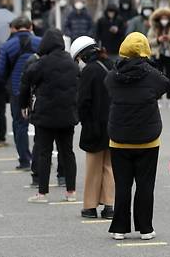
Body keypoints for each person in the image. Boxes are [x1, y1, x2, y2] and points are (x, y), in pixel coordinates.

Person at [105, 32, 170, 240]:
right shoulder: (152, 75)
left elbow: (108, 87)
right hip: (148, 139)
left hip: (119, 139)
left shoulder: (112, 76)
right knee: (145, 185)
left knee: (122, 185)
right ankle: (145, 228)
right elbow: (165, 84)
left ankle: (119, 228)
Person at [20, 29, 79, 203]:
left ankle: (43, 193)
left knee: (44, 153)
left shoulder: (41, 63)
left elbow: (25, 82)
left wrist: (23, 105)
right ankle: (71, 191)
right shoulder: (71, 63)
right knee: (67, 152)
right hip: (68, 114)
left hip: (45, 115)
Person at [70, 36, 115, 219]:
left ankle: (90, 206)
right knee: (110, 166)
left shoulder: (89, 71)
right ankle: (110, 206)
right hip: (113, 124)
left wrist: (83, 120)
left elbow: (83, 101)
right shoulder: (111, 65)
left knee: (93, 168)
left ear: (82, 55)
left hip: (94, 125)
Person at [0, 16, 41, 171]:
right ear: (30, 27)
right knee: (41, 125)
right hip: (39, 89)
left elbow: (0, 71)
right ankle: (40, 159)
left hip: (17, 90)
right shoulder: (40, 42)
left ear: (14, 28)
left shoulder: (7, 45)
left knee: (20, 124)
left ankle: (24, 160)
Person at [147, 7, 170, 105]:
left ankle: (169, 98)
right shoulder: (154, 28)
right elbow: (148, 40)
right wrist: (158, 40)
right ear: (158, 19)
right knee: (158, 76)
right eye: (162, 18)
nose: (164, 20)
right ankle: (159, 98)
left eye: (166, 18)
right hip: (157, 55)